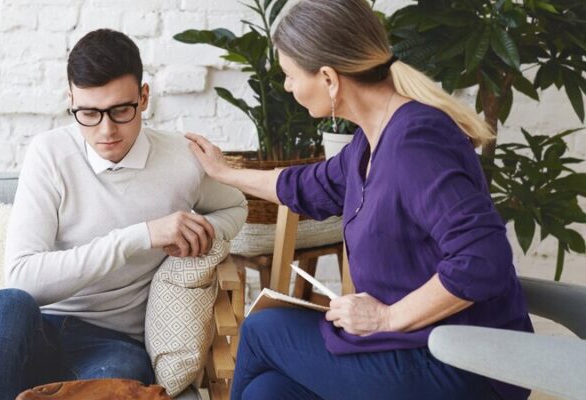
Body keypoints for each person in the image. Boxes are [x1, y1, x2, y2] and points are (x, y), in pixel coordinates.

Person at [186, 1, 533, 399]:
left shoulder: (415, 145)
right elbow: (305, 185)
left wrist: (387, 316)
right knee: (268, 392)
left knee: (264, 330)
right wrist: (225, 173)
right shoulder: (368, 143)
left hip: (463, 365)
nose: (287, 87)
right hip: (411, 348)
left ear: (330, 79)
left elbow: (482, 261)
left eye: (290, 76)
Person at [0, 29, 247, 400]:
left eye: (120, 111)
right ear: (71, 100)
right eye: (89, 113)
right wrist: (139, 236)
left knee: (125, 379)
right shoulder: (49, 154)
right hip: (39, 329)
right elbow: (23, 279)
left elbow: (235, 206)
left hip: (113, 343)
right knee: (6, 303)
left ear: (143, 98)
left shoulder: (181, 159)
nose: (106, 130)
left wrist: (200, 230)